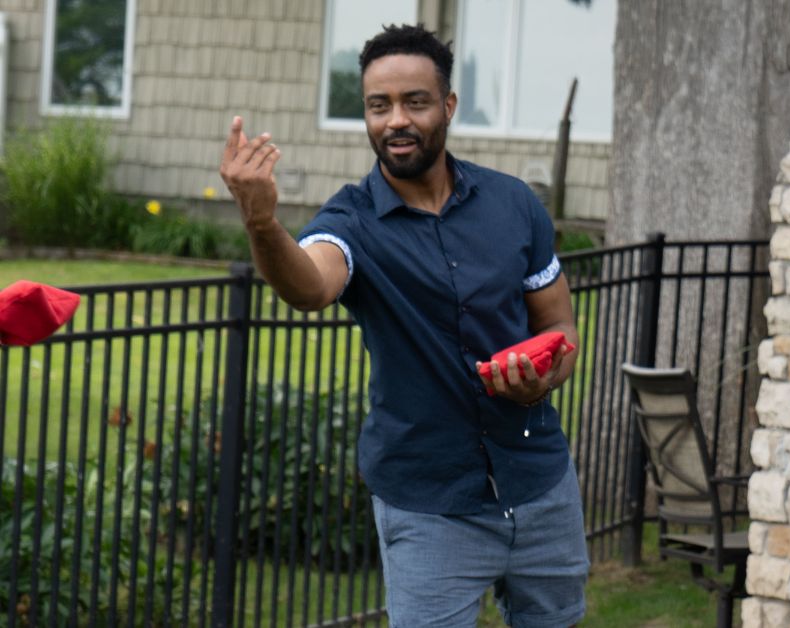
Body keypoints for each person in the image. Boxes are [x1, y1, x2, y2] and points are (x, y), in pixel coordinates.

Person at [218, 23, 588, 628]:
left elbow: (559, 328)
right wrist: (263, 224)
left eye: (414, 102)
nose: (395, 120)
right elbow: (311, 286)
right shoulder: (351, 220)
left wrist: (543, 379)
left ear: (447, 105)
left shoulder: (515, 204)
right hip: (429, 503)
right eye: (378, 105)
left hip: (540, 484)